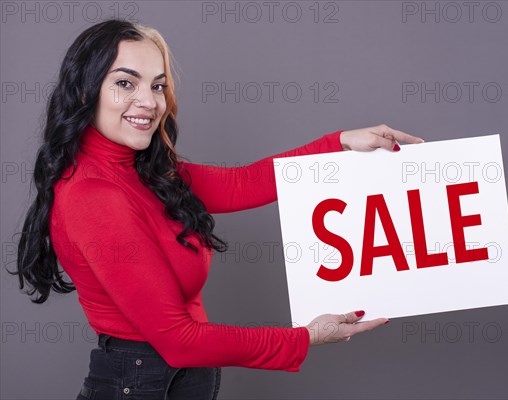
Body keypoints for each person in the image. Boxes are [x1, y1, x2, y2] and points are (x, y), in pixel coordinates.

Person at [10, 19, 424, 399]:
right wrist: (306, 338)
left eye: (157, 86)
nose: (149, 102)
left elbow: (244, 183)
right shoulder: (92, 195)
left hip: (172, 379)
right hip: (140, 382)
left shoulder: (147, 172)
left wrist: (342, 144)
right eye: (125, 83)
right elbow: (179, 340)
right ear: (85, 90)